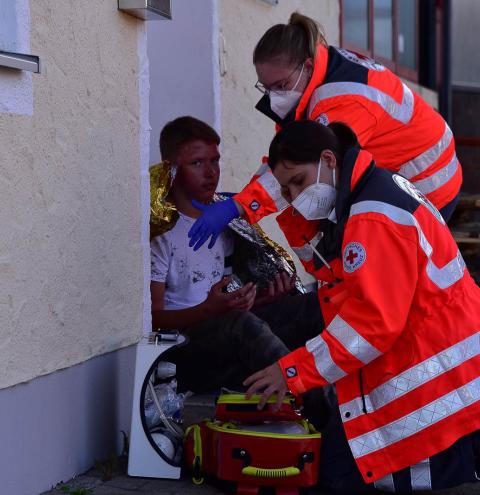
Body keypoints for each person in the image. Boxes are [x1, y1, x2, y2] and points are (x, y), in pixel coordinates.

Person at [243, 120, 480, 493]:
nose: (294, 196)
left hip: (437, 384)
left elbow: (370, 324)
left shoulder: (372, 216)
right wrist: (294, 215)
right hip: (448, 373)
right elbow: (336, 275)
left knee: (340, 477)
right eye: (287, 191)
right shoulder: (371, 192)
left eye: (299, 182)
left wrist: (291, 373)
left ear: (328, 160)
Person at [188, 12, 461, 252]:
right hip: (410, 171)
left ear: (306, 66)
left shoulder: (341, 101)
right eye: (266, 87)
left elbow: (304, 164)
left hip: (428, 184)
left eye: (280, 84)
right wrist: (241, 199)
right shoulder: (318, 73)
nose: (274, 96)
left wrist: (239, 207)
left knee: (386, 271)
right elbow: (287, 161)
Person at [150, 116, 323, 393]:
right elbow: (153, 318)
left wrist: (265, 300)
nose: (211, 173)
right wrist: (210, 310)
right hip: (184, 354)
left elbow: (226, 301)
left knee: (314, 306)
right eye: (197, 163)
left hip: (227, 332)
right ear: (171, 169)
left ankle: (340, 399)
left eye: (215, 161)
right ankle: (315, 404)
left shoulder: (225, 224)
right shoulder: (162, 234)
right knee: (241, 325)